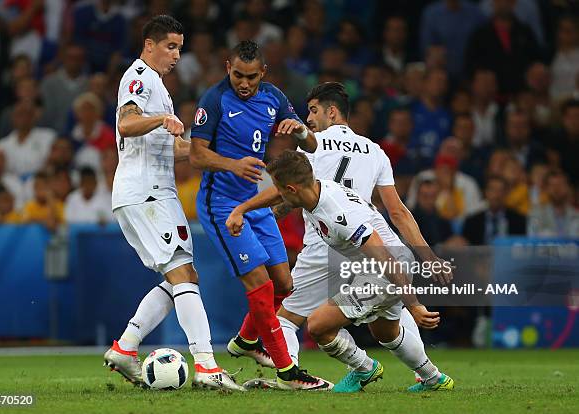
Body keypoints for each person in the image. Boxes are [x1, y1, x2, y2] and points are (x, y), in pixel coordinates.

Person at [226, 82, 452, 380]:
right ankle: (429, 375)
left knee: (290, 319)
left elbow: (289, 190)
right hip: (368, 243)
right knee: (387, 324)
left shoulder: (314, 145)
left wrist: (250, 210)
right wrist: (427, 256)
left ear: (331, 112)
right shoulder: (375, 150)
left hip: (330, 242)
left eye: (313, 110)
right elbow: (398, 212)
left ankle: (291, 376)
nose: (309, 118)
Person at [102, 15, 243, 391]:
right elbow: (126, 124)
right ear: (149, 45)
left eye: (180, 47)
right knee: (182, 275)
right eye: (170, 46)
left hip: (148, 192)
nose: (177, 54)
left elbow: (176, 148)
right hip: (146, 192)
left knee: (182, 276)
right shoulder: (138, 78)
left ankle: (125, 348)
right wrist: (162, 117)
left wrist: (217, 151)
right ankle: (208, 367)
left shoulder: (158, 86)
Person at [189, 40, 329, 390]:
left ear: (262, 73)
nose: (244, 83)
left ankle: (247, 341)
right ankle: (287, 372)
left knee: (284, 284)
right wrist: (231, 164)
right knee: (261, 286)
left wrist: (299, 130)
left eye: (251, 76)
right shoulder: (214, 100)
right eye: (238, 75)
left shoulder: (274, 98)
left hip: (255, 200)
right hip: (219, 204)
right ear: (227, 68)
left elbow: (311, 144)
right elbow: (196, 155)